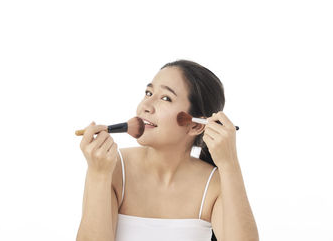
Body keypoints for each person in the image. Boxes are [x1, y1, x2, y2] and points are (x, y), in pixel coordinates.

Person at [76, 60, 259, 241]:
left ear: (195, 126)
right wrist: (98, 175)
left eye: (166, 98)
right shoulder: (110, 167)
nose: (146, 105)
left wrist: (229, 164)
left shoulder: (214, 185)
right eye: (148, 93)